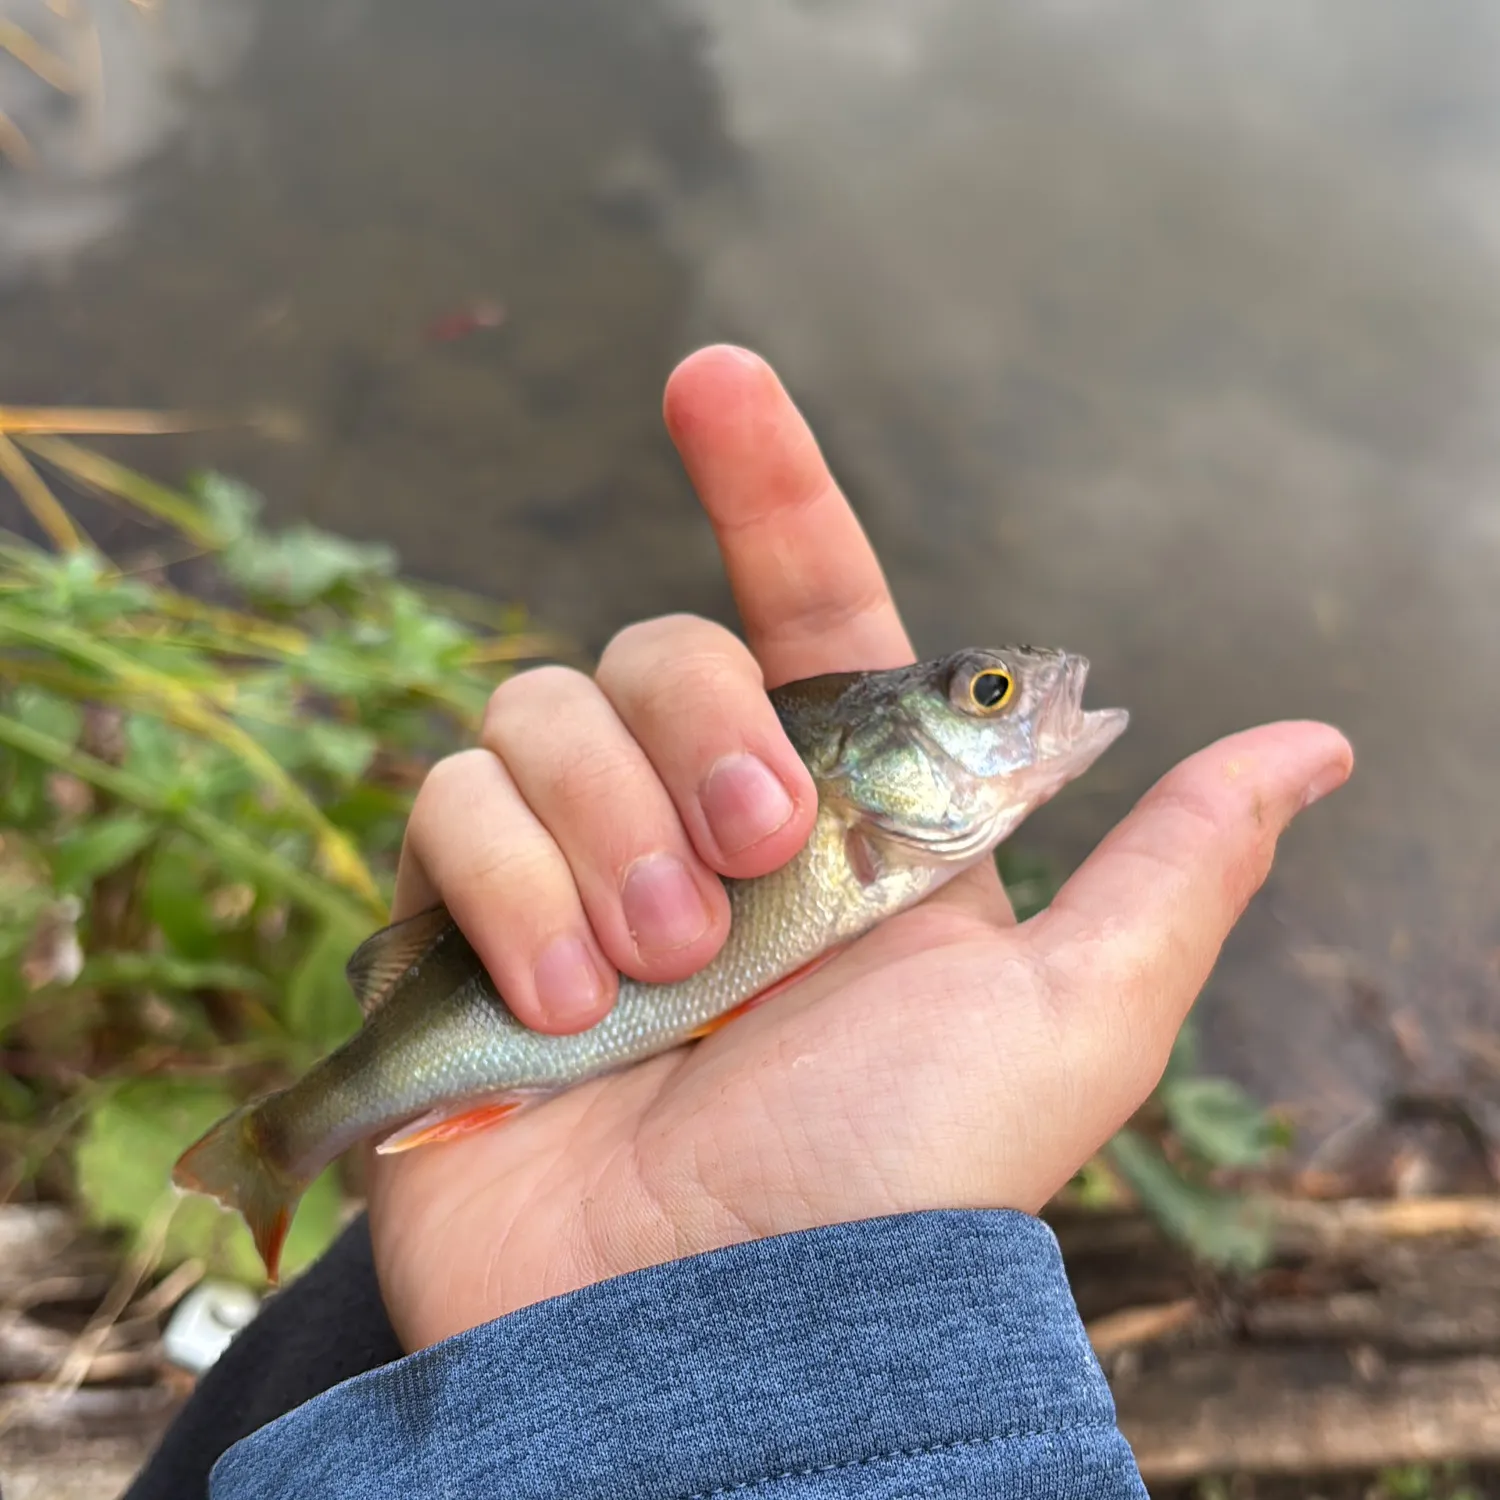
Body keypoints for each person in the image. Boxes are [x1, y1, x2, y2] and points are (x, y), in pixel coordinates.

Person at [126, 346, 1353, 1499]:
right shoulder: (864, 842)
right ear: (880, 747)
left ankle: (279, 1146)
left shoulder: (891, 875)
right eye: (988, 695)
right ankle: (275, 1144)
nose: (1019, 704)